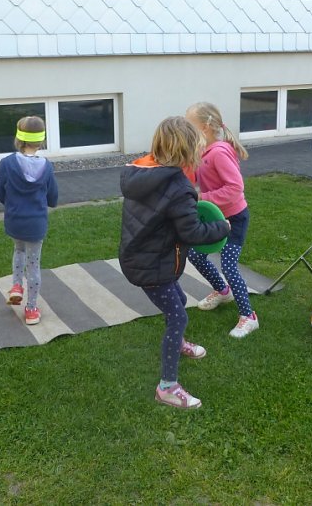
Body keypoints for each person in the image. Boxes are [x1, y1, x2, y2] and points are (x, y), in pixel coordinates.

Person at [119, 116, 231, 409]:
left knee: (178, 300)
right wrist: (223, 227)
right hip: (152, 265)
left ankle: (178, 343)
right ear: (188, 150)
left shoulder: (140, 171)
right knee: (178, 315)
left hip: (139, 256)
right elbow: (192, 232)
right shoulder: (179, 187)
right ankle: (167, 387)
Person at [184, 102, 259, 338]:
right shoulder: (203, 151)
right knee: (194, 254)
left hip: (234, 218)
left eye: (190, 125)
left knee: (228, 265)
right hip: (215, 217)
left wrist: (201, 198)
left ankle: (249, 317)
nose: (186, 128)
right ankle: (222, 291)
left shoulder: (218, 153)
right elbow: (196, 174)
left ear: (204, 127)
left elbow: (235, 188)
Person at [0, 116, 59, 325]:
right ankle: (31, 309)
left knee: (18, 250)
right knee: (34, 265)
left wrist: (12, 204)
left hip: (14, 221)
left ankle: (16, 286)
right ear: (41, 141)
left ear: (18, 138)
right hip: (36, 224)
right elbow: (53, 197)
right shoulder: (47, 167)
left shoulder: (6, 163)